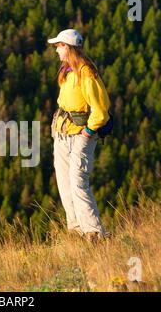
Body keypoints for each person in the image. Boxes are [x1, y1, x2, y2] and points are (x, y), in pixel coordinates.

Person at [47, 29, 111, 243]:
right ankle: (76, 230)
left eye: (59, 46)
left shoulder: (86, 72)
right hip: (63, 132)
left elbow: (101, 109)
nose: (56, 49)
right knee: (65, 182)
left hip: (81, 135)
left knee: (77, 181)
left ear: (68, 47)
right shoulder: (67, 70)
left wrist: (89, 131)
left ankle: (94, 232)